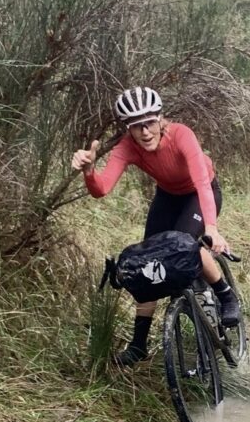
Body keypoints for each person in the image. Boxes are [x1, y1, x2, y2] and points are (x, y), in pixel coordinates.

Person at [71, 85, 240, 366]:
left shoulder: (182, 135)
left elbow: (200, 181)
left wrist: (210, 227)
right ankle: (139, 345)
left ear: (161, 119)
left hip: (199, 193)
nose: (145, 132)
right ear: (128, 129)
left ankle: (226, 295)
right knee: (147, 261)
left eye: (149, 123)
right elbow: (101, 189)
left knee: (185, 245)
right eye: (136, 126)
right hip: (168, 196)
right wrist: (89, 171)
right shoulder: (128, 147)